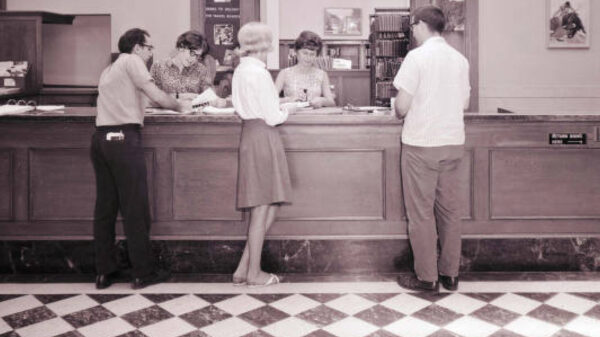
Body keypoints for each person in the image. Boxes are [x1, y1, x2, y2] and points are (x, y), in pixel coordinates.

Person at [91, 28, 187, 290]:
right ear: (137, 47)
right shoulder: (133, 62)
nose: (151, 52)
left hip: (101, 139)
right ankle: (143, 272)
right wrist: (182, 106)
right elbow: (156, 95)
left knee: (106, 207)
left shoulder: (110, 68)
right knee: (135, 207)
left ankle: (104, 271)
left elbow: (143, 100)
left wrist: (170, 100)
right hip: (124, 138)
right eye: (149, 47)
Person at [393, 6, 470, 292]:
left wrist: (399, 109)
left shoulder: (416, 57)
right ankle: (451, 275)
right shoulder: (459, 59)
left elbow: (401, 106)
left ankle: (427, 277)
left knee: (421, 213)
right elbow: (463, 103)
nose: (412, 31)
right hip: (452, 142)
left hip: (422, 144)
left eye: (414, 26)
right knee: (450, 211)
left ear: (423, 25)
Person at [231, 22, 294, 287]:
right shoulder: (259, 73)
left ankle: (243, 267)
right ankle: (255, 273)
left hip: (251, 134)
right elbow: (273, 116)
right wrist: (290, 108)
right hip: (264, 136)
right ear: (264, 44)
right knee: (262, 207)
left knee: (270, 204)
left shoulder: (241, 70)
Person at [150, 30, 225, 106]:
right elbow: (151, 98)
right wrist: (179, 96)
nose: (193, 59)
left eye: (197, 56)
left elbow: (209, 94)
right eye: (192, 53)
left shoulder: (201, 70)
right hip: (165, 116)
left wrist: (216, 100)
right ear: (181, 47)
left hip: (192, 116)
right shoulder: (159, 66)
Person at [275, 31, 335, 108]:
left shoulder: (322, 74)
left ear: (317, 55)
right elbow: (271, 100)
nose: (308, 57)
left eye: (312, 54)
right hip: (291, 117)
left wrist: (322, 101)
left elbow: (331, 102)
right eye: (305, 53)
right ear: (296, 52)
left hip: (315, 117)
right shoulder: (284, 73)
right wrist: (288, 99)